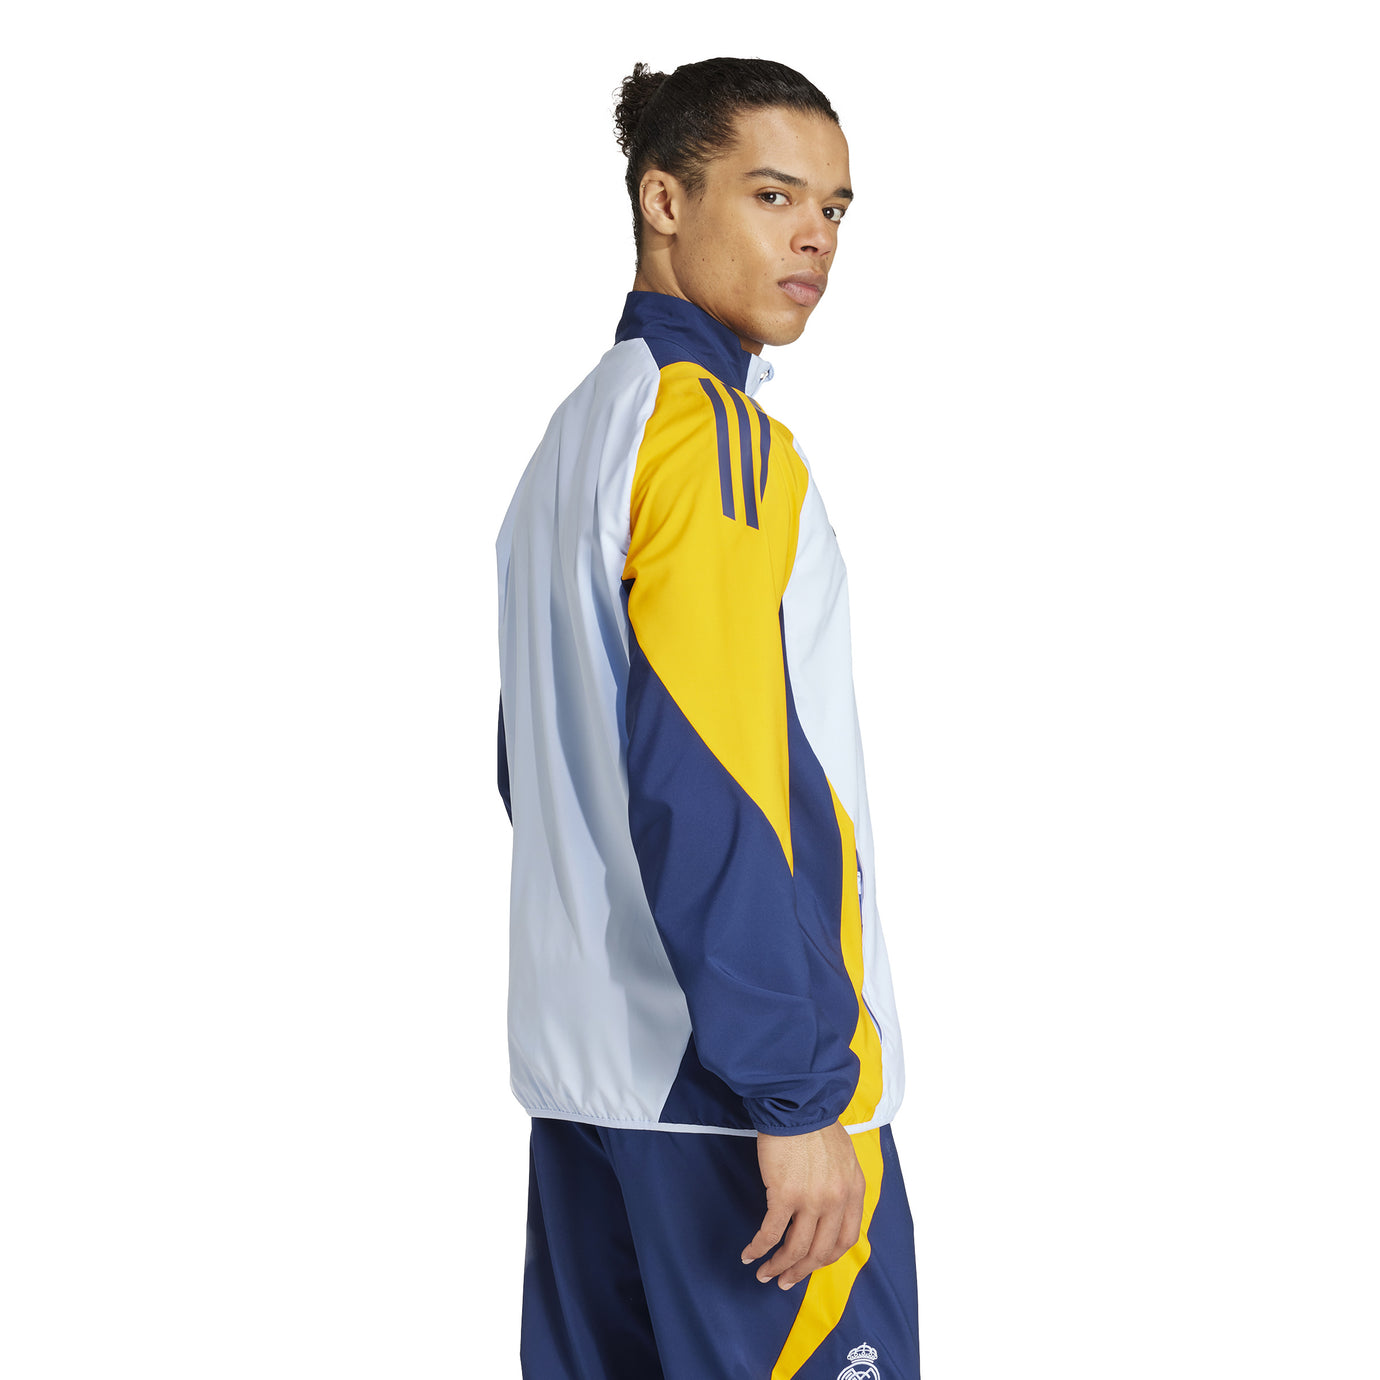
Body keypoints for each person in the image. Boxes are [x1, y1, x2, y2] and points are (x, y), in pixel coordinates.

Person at [495, 56, 921, 1379]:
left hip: (592, 1098)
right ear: (664, 200)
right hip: (732, 1110)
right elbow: (712, 778)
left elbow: (531, 766)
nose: (815, 239)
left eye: (835, 209)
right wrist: (792, 1094)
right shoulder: (709, 439)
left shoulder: (576, 440)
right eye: (774, 195)